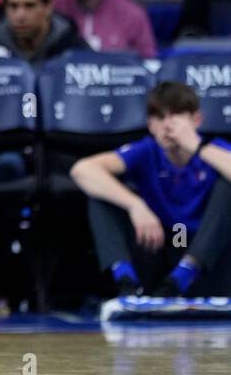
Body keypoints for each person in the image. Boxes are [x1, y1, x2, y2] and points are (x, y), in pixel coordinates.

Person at [72, 82, 231, 299]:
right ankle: (125, 281)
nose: (167, 125)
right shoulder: (147, 150)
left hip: (201, 252)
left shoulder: (214, 150)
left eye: (176, 115)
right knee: (100, 194)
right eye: (159, 117)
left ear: (196, 120)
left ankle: (186, 273)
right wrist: (136, 205)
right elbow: (82, 170)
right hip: (161, 244)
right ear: (150, 125)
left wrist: (195, 146)